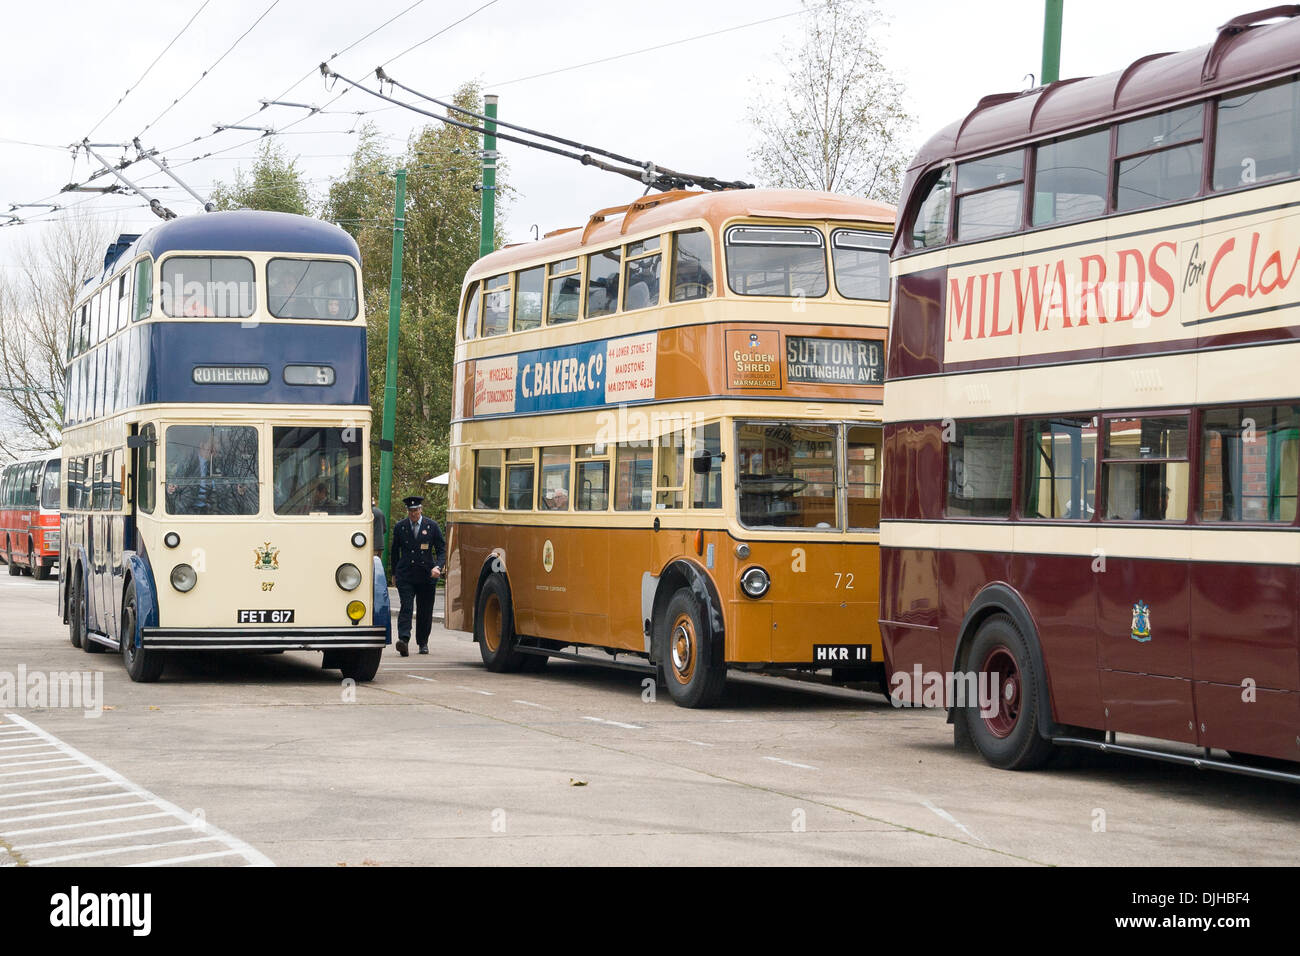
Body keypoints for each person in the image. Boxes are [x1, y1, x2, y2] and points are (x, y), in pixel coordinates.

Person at [388, 495, 445, 656]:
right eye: (411, 511)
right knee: (406, 607)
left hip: (426, 575)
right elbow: (394, 551)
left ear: (421, 510)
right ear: (407, 511)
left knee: (425, 610)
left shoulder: (431, 526)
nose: (413, 514)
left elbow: (442, 549)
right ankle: (403, 640)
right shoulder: (401, 527)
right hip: (406, 574)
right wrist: (394, 573)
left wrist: (438, 567)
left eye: (416, 510)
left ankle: (423, 642)